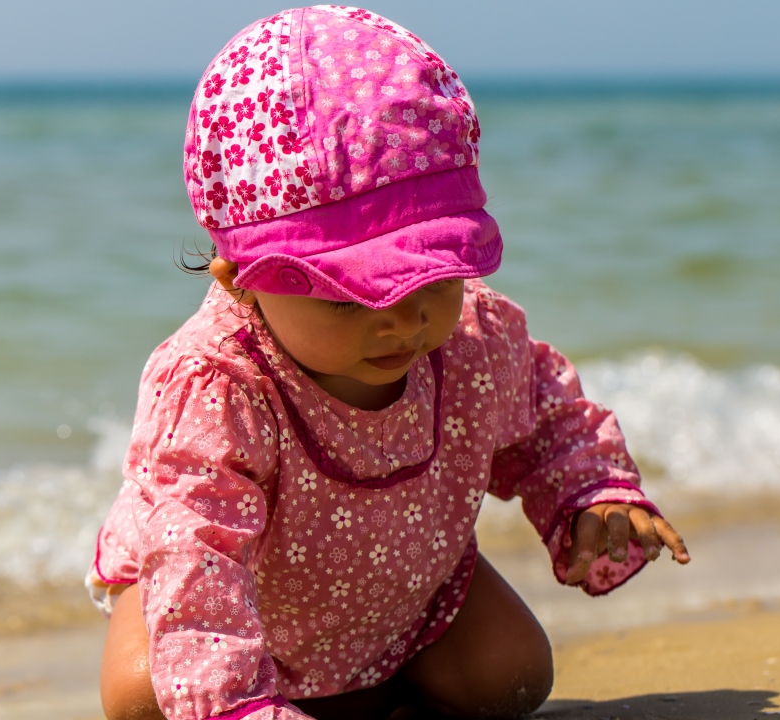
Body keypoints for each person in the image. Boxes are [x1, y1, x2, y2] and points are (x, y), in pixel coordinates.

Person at [87, 7, 690, 720]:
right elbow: (197, 559)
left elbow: (544, 415)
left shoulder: (470, 337)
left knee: (513, 677)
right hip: (239, 609)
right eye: (348, 299)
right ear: (238, 281)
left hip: (408, 593)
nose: (403, 320)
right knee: (142, 696)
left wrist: (590, 494)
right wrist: (233, 706)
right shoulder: (219, 384)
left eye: (430, 278)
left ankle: (374, 686)